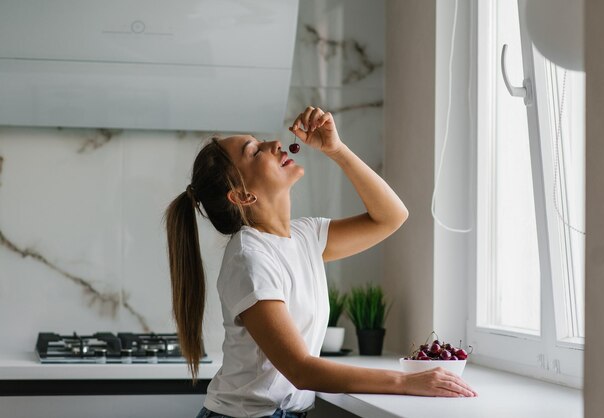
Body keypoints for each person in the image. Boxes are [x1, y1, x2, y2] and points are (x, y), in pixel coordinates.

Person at [165, 106, 477, 418]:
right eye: (255, 151)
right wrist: (406, 381)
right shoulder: (249, 259)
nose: (273, 145)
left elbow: (391, 217)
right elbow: (301, 370)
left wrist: (337, 150)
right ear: (243, 196)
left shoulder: (304, 236)